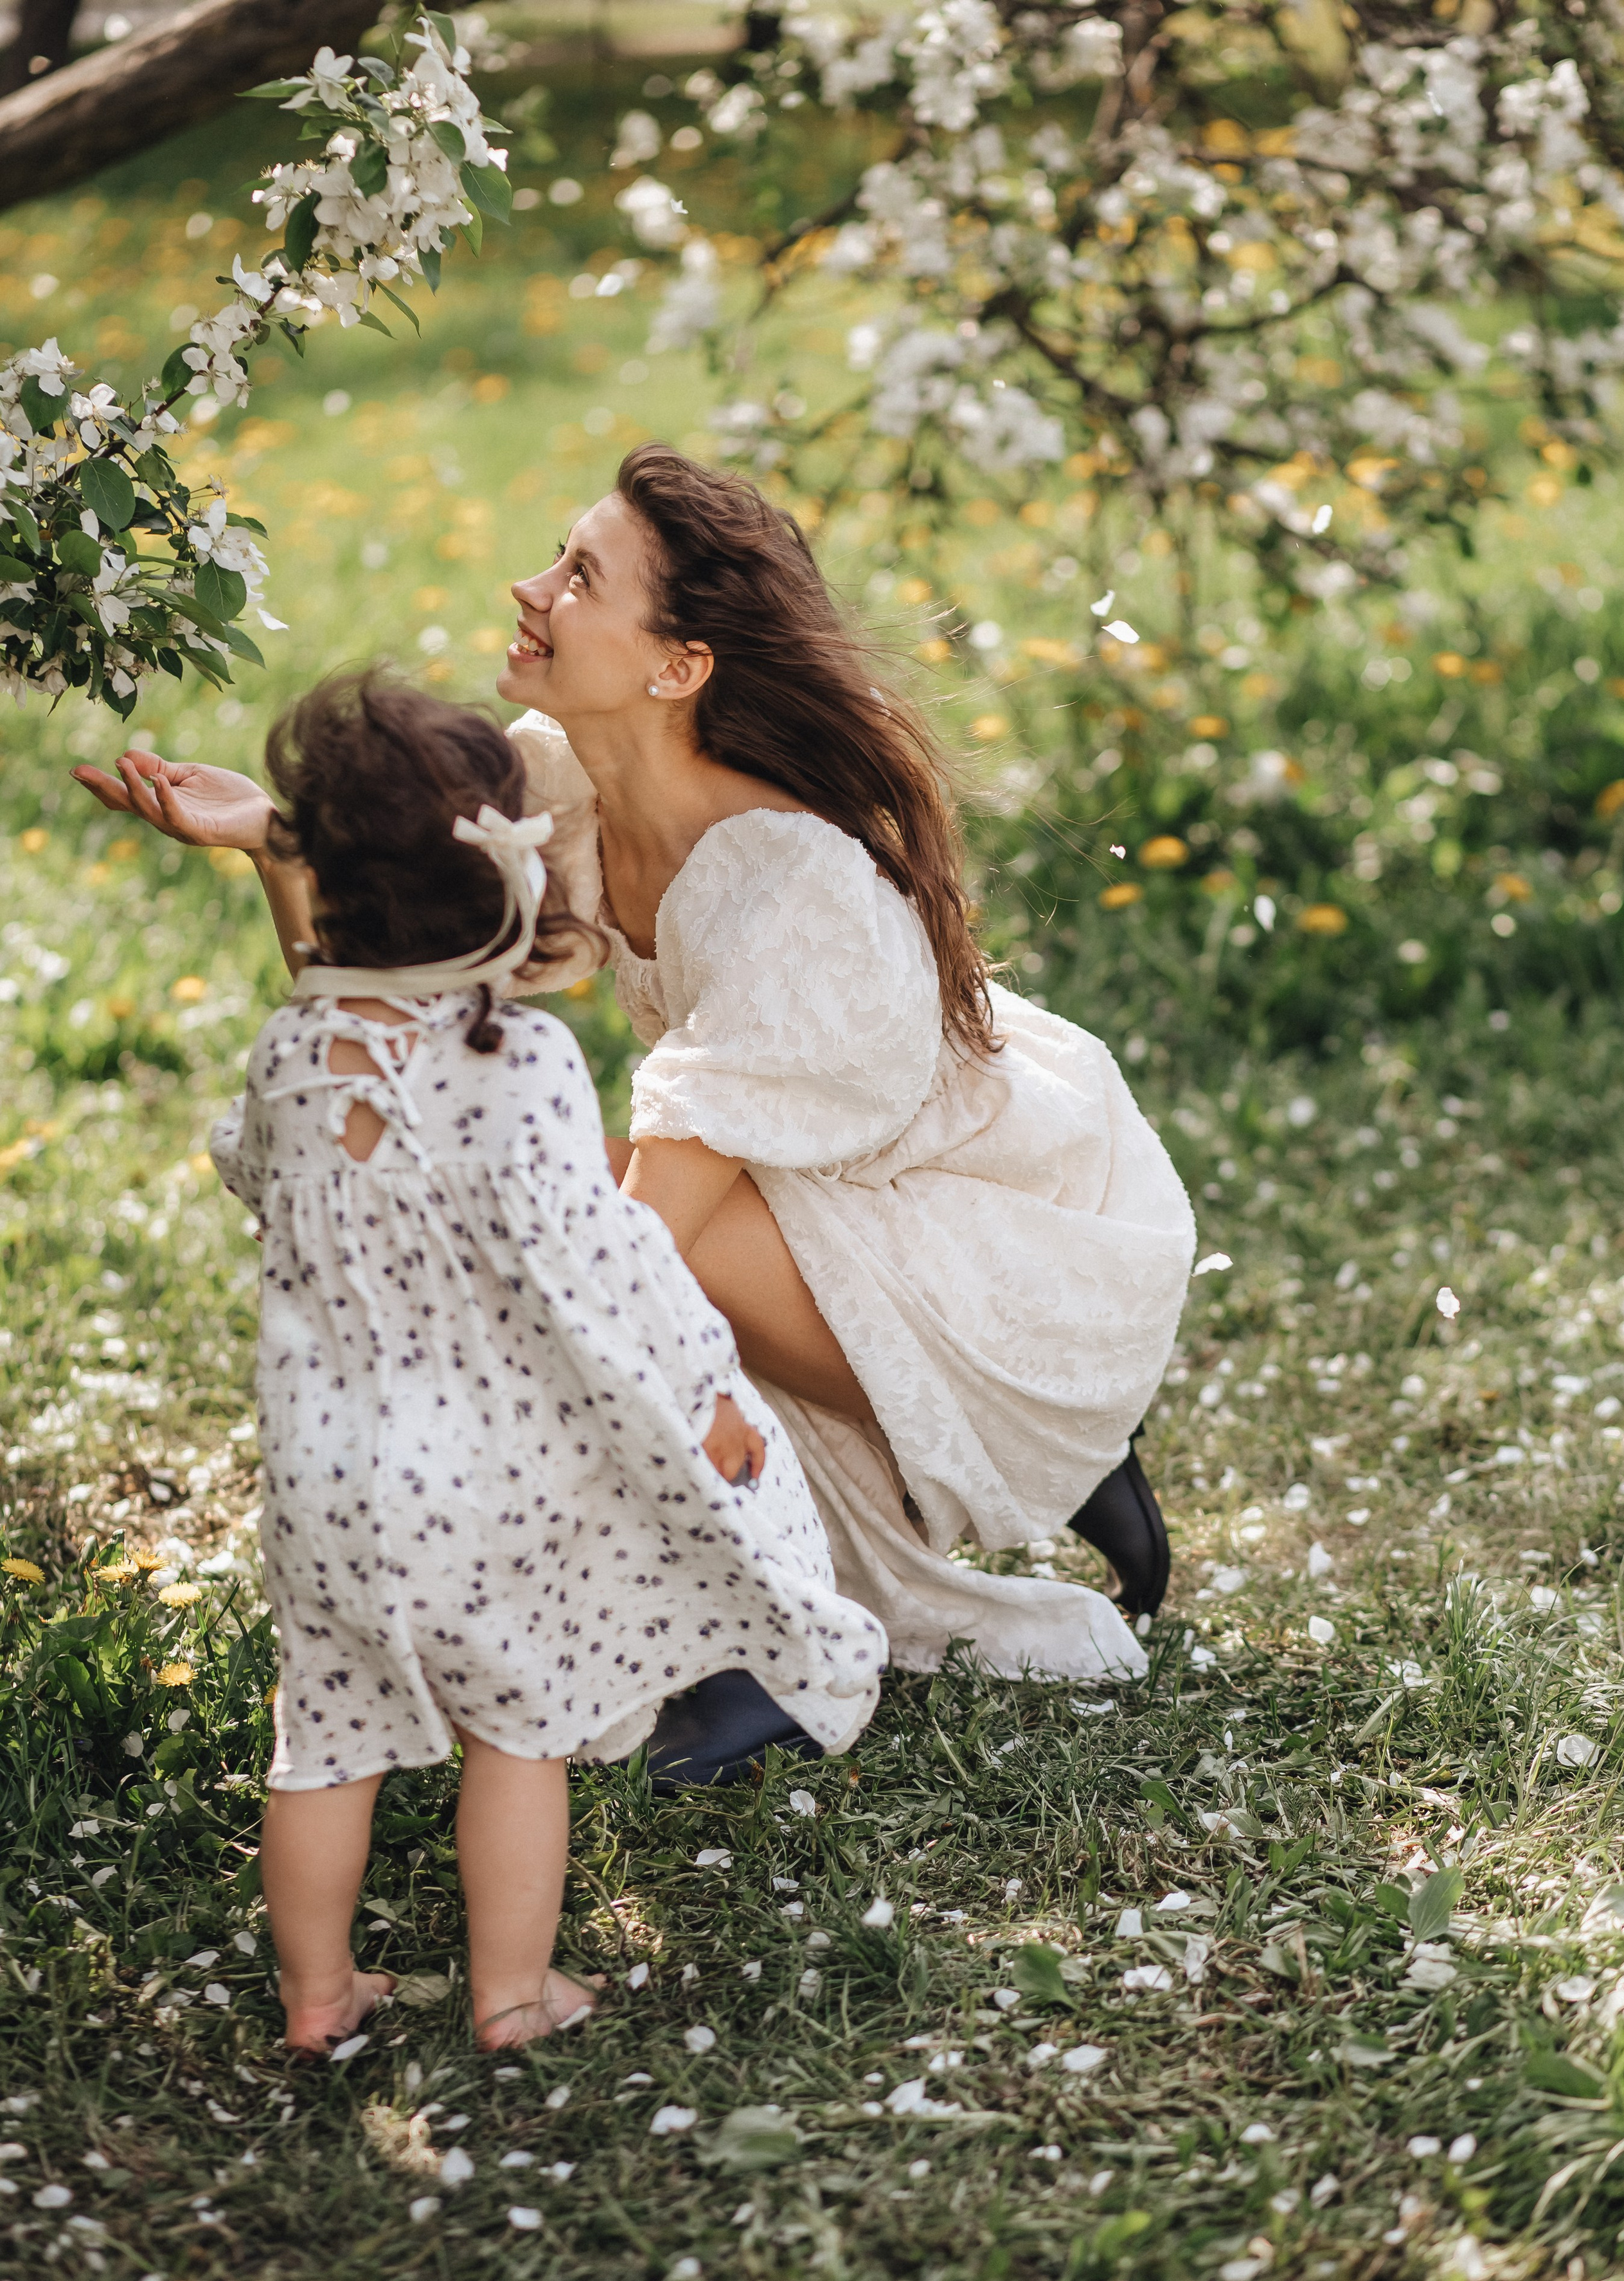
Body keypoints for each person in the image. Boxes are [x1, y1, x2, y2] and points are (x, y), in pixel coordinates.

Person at [75, 444, 1194, 1780]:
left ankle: (758, 1634)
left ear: (678, 665)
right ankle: (817, 1552)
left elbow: (622, 1254)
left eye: (579, 575)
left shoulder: (797, 896)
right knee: (503, 1200)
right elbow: (373, 1017)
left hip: (997, 1255)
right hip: (828, 1212)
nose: (529, 586)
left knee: (570, 1234)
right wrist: (278, 841)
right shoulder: (561, 778)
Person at [206, 670, 886, 2048]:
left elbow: (257, 1171)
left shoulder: (289, 1057)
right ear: (500, 890)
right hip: (485, 1486)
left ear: (323, 890)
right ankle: (512, 1996)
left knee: (322, 1737)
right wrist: (705, 1394)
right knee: (518, 1733)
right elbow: (611, 1259)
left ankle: (318, 1998)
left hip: (325, 1480)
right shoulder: (515, 1064)